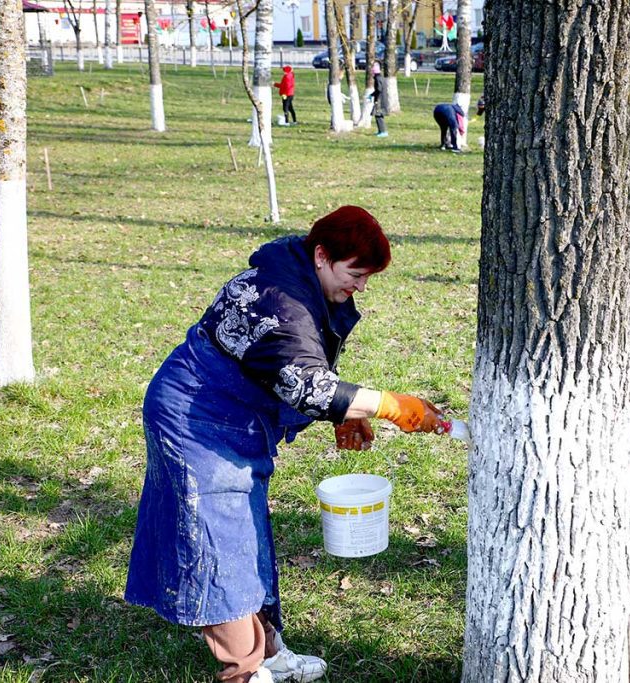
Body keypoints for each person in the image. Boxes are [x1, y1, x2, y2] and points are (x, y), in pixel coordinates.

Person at [125, 206, 447, 683]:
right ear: (322, 255)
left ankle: (270, 650)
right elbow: (306, 382)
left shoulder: (299, 274)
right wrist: (390, 406)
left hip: (235, 416)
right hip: (195, 417)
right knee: (220, 542)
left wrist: (342, 412)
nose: (360, 287)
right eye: (355, 274)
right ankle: (245, 671)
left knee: (250, 536)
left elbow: (293, 368)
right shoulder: (280, 299)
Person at [369, 62, 388, 138]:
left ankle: (383, 131)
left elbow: (379, 89)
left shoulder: (377, 78)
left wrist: (375, 97)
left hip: (379, 100)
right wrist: (371, 95)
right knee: (379, 116)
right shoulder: (381, 77)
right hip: (382, 99)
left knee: (378, 115)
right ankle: (381, 131)